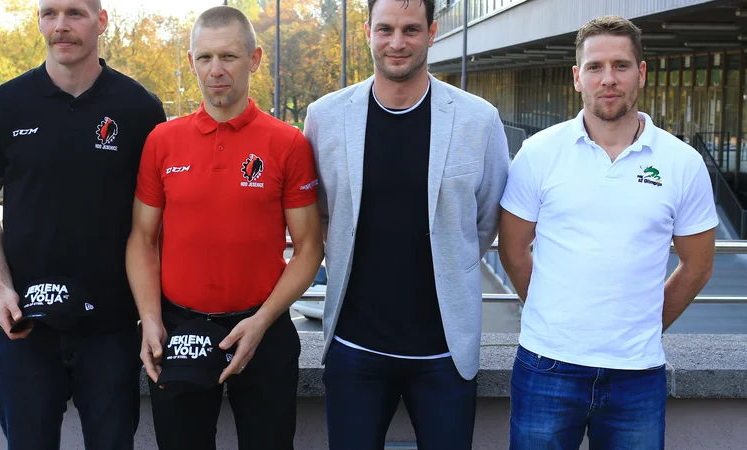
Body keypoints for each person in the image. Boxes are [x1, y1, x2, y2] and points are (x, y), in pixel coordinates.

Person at [499, 15, 717, 450]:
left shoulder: (682, 162)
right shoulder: (538, 152)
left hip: (638, 375)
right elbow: (513, 249)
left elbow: (698, 266)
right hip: (546, 367)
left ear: (641, 72)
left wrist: (644, 327)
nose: (608, 79)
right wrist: (553, 315)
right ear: (578, 77)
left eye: (620, 65)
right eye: (595, 67)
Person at [303, 0, 509, 447]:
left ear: (433, 32)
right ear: (367, 32)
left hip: (444, 352)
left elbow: (486, 218)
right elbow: (319, 213)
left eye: (411, 30)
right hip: (355, 347)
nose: (397, 43)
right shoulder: (324, 117)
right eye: (386, 30)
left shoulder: (480, 120)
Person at [0, 0, 166, 448]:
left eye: (74, 12)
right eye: (48, 13)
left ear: (102, 21)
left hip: (111, 328)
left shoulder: (139, 108)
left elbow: (155, 222)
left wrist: (150, 313)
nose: (60, 26)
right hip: (25, 325)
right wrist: (3, 291)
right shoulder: (3, 105)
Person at [126, 6, 323, 450]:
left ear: (253, 59)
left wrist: (263, 320)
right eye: (205, 58)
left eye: (229, 57)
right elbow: (141, 238)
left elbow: (310, 247)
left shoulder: (287, 143)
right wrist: (151, 318)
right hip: (179, 328)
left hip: (265, 327)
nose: (216, 71)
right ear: (192, 60)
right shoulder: (162, 141)